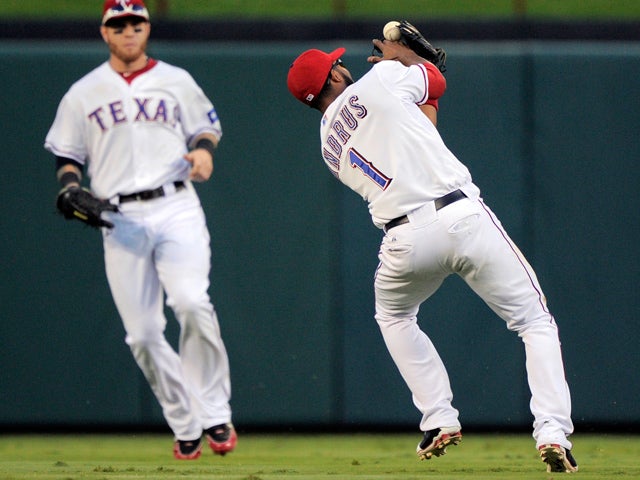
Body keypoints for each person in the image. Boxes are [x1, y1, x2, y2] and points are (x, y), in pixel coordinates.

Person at [286, 39, 577, 473]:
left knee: (394, 317)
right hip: (459, 215)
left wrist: (410, 70)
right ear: (331, 77)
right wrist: (407, 57)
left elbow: (424, 127)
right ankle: (553, 432)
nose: (343, 66)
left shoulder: (327, 146)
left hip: (403, 240)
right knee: (534, 322)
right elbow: (435, 80)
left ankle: (438, 417)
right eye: (337, 65)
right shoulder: (381, 77)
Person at [44, 0, 236, 460]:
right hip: (119, 218)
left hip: (175, 206)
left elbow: (205, 130)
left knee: (191, 302)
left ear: (146, 29)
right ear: (105, 32)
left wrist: (204, 153)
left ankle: (213, 411)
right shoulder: (82, 92)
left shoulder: (176, 80)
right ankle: (184, 421)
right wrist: (70, 187)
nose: (128, 30)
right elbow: (67, 155)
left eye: (136, 23)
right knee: (144, 334)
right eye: (119, 24)